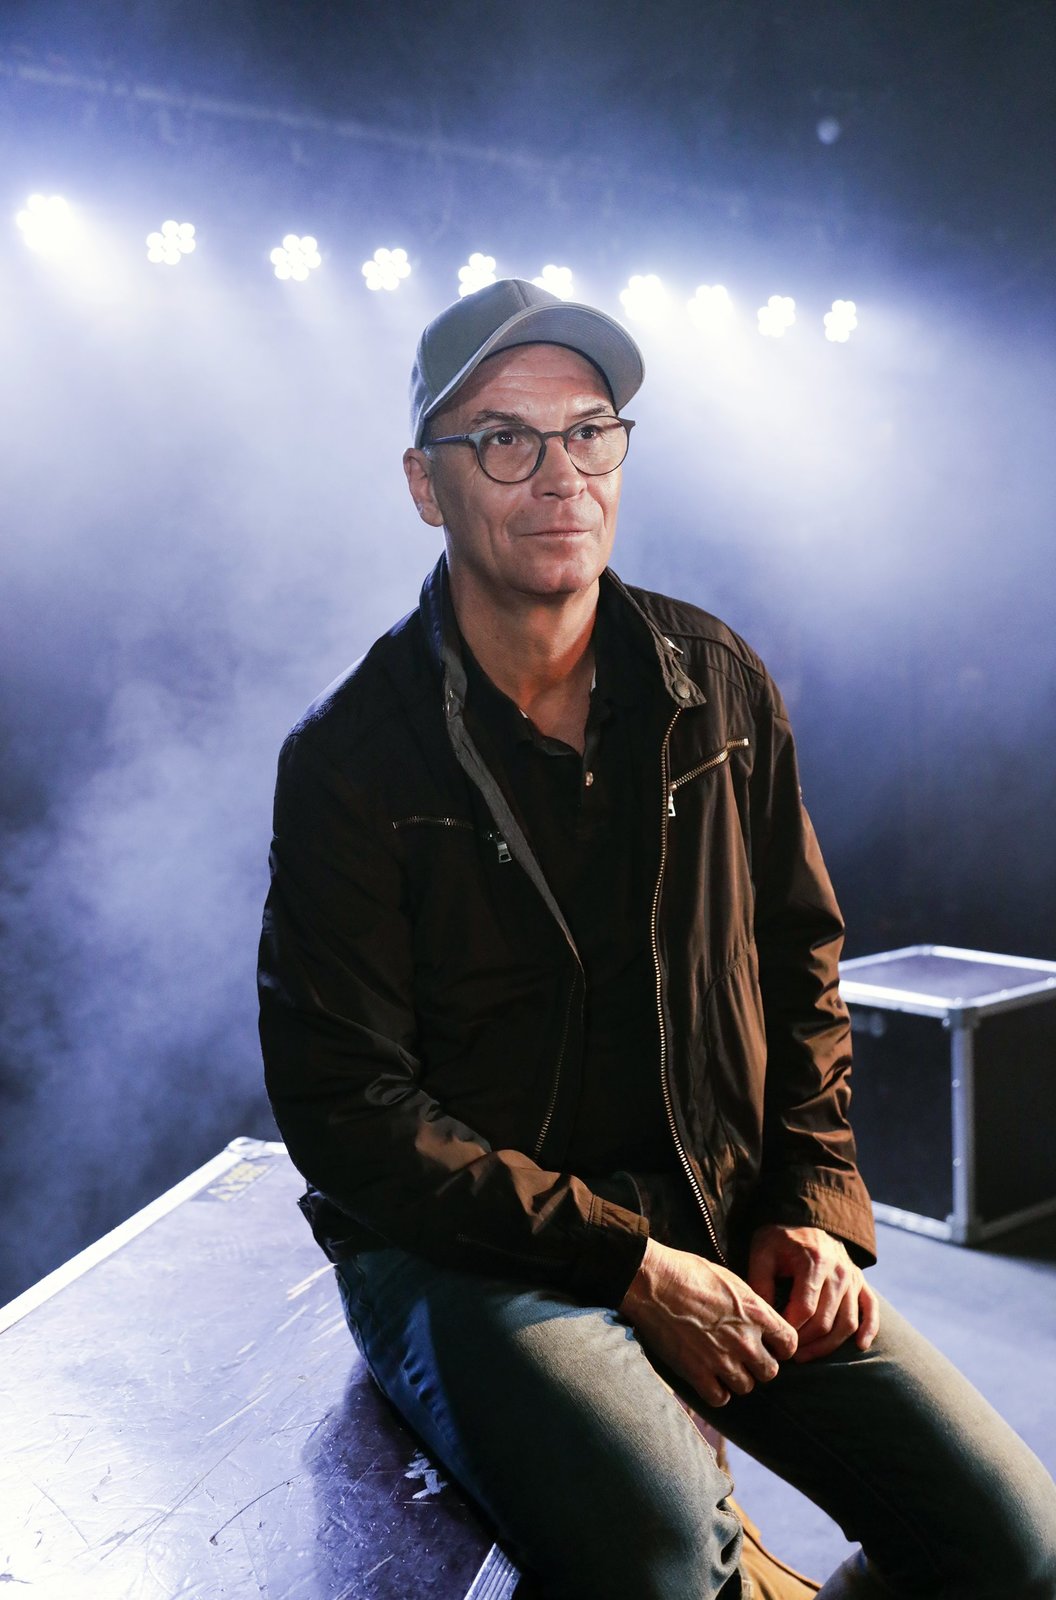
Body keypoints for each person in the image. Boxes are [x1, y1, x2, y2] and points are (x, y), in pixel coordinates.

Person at [258, 279, 1056, 1599]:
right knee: (663, 1564)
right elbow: (348, 1110)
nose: (559, 474)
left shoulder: (717, 683)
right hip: (475, 1255)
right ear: (424, 483)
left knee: (1020, 1552)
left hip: (716, 1204)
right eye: (503, 440)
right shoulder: (350, 760)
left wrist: (810, 1200)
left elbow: (801, 960)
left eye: (589, 431)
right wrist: (625, 1267)